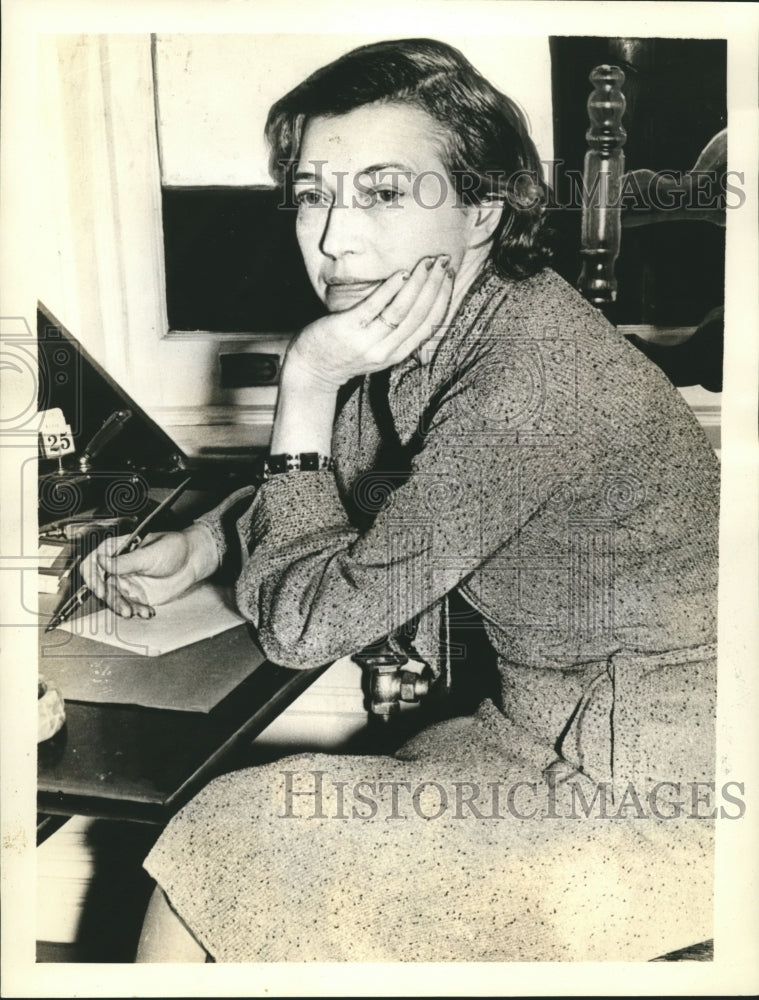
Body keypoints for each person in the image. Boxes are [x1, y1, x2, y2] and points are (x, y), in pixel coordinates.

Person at [84, 38, 719, 962]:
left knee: (229, 835)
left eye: (383, 193)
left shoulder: (529, 383)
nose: (333, 236)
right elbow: (369, 476)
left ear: (481, 210)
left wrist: (304, 379)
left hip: (660, 795)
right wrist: (209, 545)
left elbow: (304, 628)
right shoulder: (467, 318)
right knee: (241, 844)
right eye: (312, 194)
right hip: (554, 738)